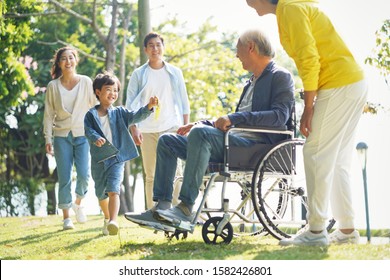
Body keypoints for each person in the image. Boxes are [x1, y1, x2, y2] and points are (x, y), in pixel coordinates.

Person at [125, 29, 295, 232]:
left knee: (200, 135)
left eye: (237, 50)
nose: (236, 55)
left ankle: (186, 207)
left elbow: (279, 117)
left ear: (250, 48)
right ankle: (161, 208)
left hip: (255, 147)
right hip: (232, 141)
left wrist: (231, 119)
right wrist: (200, 123)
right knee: (168, 141)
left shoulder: (280, 76)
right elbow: (232, 120)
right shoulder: (251, 81)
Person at [246, 0, 368, 246]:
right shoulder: (290, 9)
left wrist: (308, 107)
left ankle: (315, 231)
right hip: (352, 82)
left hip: (339, 84)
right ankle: (346, 230)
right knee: (337, 160)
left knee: (315, 152)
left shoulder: (290, 9)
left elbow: (309, 58)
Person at [84, 71, 159, 235]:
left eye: (116, 90)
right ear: (98, 92)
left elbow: (135, 116)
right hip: (99, 159)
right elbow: (88, 131)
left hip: (117, 157)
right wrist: (96, 138)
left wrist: (148, 107)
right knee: (100, 192)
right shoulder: (90, 115)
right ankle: (106, 218)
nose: (113, 93)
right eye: (108, 89)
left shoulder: (120, 112)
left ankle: (113, 221)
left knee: (114, 189)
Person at [125, 32, 190, 210]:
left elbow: (184, 102)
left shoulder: (175, 72)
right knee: (151, 174)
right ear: (146, 50)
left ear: (163, 47)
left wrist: (185, 126)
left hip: (171, 127)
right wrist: (134, 128)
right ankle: (153, 212)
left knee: (176, 172)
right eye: (151, 45)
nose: (155, 48)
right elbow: (129, 104)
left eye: (158, 44)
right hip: (146, 129)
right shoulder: (139, 74)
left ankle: (178, 211)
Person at [43, 46, 97, 230]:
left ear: (76, 60)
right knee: (64, 177)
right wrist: (48, 139)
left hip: (82, 135)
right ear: (59, 63)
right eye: (64, 58)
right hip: (61, 137)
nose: (68, 61)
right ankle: (66, 217)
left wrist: (99, 132)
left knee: (84, 175)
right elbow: (49, 114)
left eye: (71, 57)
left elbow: (95, 108)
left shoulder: (86, 82)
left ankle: (78, 202)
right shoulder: (53, 86)